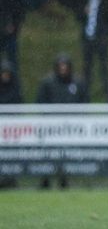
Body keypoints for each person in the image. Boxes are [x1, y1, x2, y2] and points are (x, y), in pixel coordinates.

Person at [36, 53, 87, 189]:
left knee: (66, 154)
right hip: (51, 127)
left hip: (71, 128)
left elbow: (84, 103)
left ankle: (64, 180)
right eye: (61, 66)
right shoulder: (47, 83)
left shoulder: (77, 83)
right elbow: (40, 102)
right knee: (49, 154)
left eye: (65, 66)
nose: (63, 68)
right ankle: (45, 180)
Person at [76, 0, 108, 98]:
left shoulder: (106, 3)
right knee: (87, 65)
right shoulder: (85, 1)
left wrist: (105, 35)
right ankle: (86, 90)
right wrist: (84, 12)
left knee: (103, 65)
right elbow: (78, 18)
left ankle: (106, 89)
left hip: (101, 39)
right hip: (88, 38)